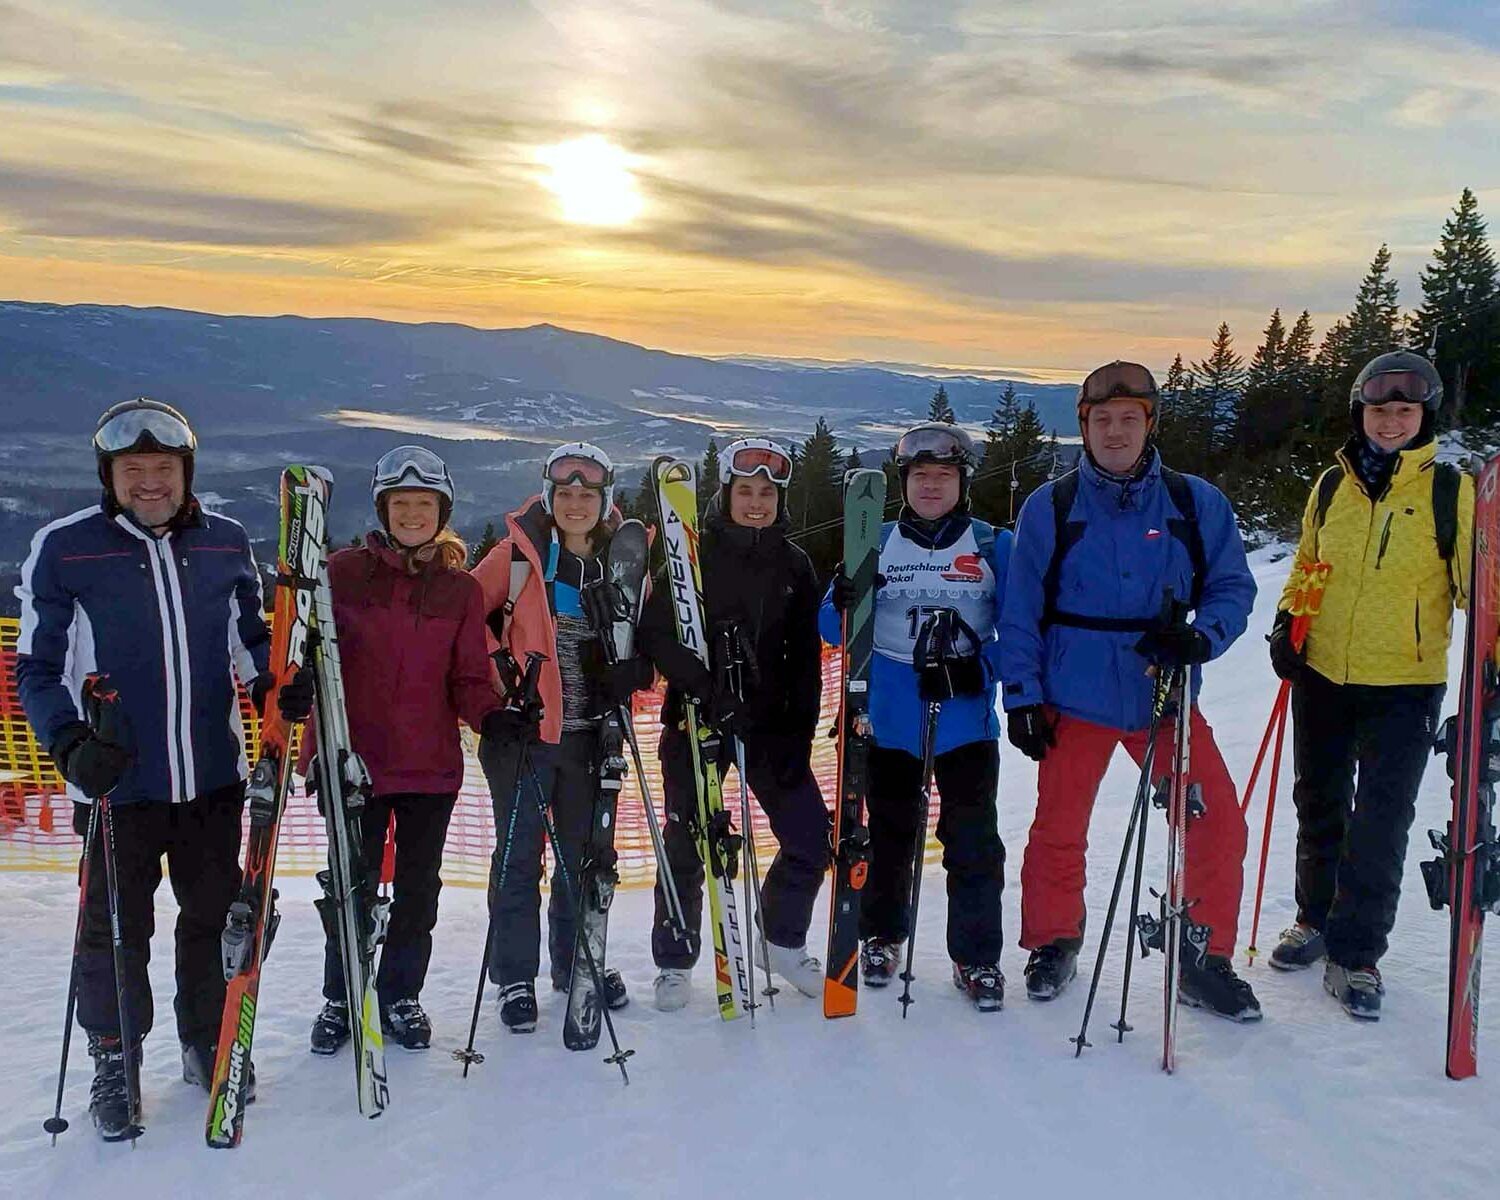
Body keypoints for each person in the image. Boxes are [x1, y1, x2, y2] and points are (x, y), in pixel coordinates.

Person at [13, 398, 311, 1141]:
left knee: (215, 922)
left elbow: (250, 649)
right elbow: (37, 669)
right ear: (109, 476)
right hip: (118, 785)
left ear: (187, 474)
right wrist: (70, 744)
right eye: (133, 469)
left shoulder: (225, 544)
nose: (151, 483)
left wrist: (280, 688)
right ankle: (116, 1057)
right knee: (114, 930)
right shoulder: (66, 549)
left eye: (165, 469)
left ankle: (206, 1041)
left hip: (212, 780)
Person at [999, 361, 1261, 1021]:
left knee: (1216, 824)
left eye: (1129, 419)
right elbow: (1021, 609)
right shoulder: (1051, 507)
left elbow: (1232, 586)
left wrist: (1202, 638)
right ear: (1084, 426)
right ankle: (1054, 938)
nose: (1116, 432)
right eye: (1103, 420)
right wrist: (1023, 697)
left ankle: (1202, 957)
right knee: (1058, 827)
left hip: (1163, 697)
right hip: (1074, 696)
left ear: (1150, 423)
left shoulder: (1195, 503)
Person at [1266, 351, 1470, 1019]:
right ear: (1362, 413)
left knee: (1380, 824)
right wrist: (1288, 622)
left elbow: (1477, 588)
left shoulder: (1450, 491)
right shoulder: (1332, 485)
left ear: (1423, 417)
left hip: (1405, 684)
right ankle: (1314, 919)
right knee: (1318, 804)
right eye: (1379, 409)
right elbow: (1307, 561)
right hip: (1323, 673)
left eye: (1404, 410)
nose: (1390, 421)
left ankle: (1357, 955)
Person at [306, 447, 502, 1054]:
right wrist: (317, 746)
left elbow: (469, 676)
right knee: (349, 886)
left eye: (424, 504)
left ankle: (399, 993)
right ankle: (342, 993)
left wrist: (497, 716)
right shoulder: (340, 574)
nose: (412, 515)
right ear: (383, 509)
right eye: (401, 504)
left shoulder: (460, 591)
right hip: (354, 762)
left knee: (419, 890)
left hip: (428, 767)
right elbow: (314, 665)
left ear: (441, 512)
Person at [820, 422, 1012, 1011]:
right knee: (890, 834)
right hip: (891, 714)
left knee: (973, 840)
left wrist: (983, 667)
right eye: (920, 476)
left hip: (965, 717)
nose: (932, 486)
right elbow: (831, 628)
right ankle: (881, 936)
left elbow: (1025, 627)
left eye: (944, 476)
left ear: (963, 483)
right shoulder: (874, 541)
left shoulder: (990, 543)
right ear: (904, 482)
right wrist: (848, 598)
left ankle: (976, 956)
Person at [637, 438, 831, 1011]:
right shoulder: (690, 554)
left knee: (809, 837)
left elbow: (805, 663)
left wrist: (797, 736)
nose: (755, 501)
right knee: (688, 843)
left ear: (781, 499)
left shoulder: (795, 565)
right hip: (698, 719)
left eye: (767, 492)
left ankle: (781, 940)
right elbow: (656, 633)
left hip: (770, 726)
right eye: (745, 490)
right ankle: (675, 960)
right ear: (725, 494)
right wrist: (703, 687)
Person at [471, 442, 654, 1033]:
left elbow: (644, 640)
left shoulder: (624, 561)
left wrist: (636, 673)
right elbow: (463, 620)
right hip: (526, 735)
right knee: (519, 858)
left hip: (591, 737)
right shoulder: (518, 556)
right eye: (566, 493)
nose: (577, 503)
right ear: (550, 498)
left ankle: (576, 962)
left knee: (582, 858)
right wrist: (501, 677)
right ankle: (514, 976)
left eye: (588, 494)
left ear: (605, 502)